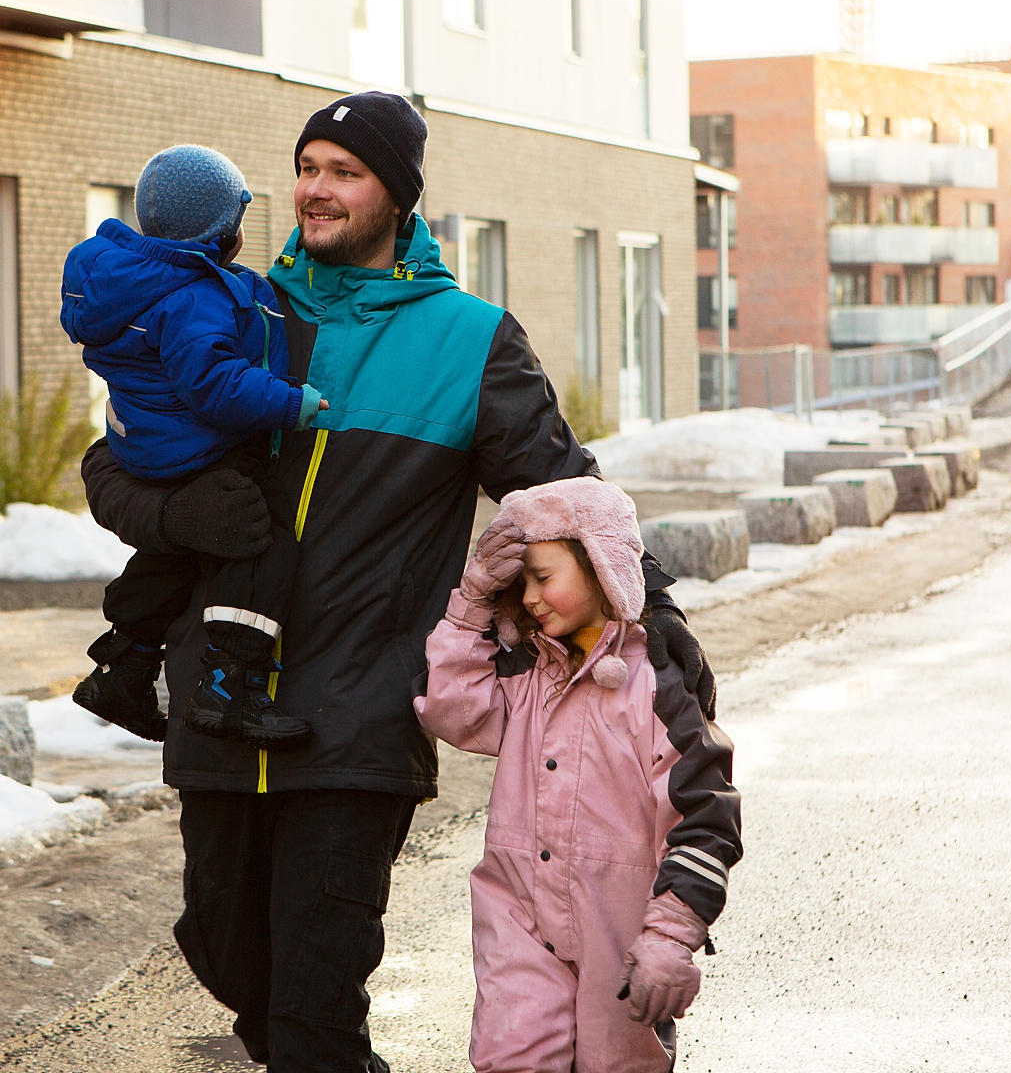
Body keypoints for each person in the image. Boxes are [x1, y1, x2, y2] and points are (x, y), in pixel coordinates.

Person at [80, 91, 718, 1072]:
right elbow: (114, 460)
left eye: (345, 171)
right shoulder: (238, 308)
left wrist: (652, 603)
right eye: (306, 167)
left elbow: (559, 491)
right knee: (228, 953)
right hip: (219, 707)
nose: (315, 190)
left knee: (311, 1005)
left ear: (399, 197)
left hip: (359, 717)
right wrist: (177, 516)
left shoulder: (467, 341)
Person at [416, 477, 742, 1072]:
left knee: (617, 1065)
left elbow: (705, 819)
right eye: (522, 584)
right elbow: (451, 710)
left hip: (619, 937)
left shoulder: (656, 686)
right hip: (517, 918)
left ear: (600, 566)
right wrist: (472, 601)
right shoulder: (524, 674)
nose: (532, 598)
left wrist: (670, 936)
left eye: (545, 578)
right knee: (511, 1057)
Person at [64, 144, 325, 749]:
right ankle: (229, 684)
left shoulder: (129, 284)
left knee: (173, 554)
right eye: (235, 220)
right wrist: (293, 402)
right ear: (219, 232)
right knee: (259, 539)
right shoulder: (195, 296)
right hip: (199, 444)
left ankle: (123, 665)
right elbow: (213, 386)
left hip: (147, 444)